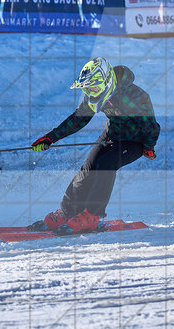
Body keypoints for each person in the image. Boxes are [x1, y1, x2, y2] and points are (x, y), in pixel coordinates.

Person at [29, 57, 160, 232]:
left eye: (94, 88)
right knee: (88, 167)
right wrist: (50, 138)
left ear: (106, 81)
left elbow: (151, 127)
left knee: (105, 165)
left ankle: (92, 215)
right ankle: (68, 212)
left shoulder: (135, 96)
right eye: (88, 89)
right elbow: (78, 119)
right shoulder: (94, 95)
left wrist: (149, 147)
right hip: (111, 134)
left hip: (135, 141)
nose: (92, 93)